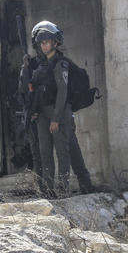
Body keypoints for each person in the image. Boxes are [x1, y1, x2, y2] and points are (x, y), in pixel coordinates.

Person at [19, 21, 94, 196]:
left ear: (55, 42)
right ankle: (48, 190)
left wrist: (55, 118)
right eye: (42, 43)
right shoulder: (39, 66)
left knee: (63, 153)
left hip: (58, 113)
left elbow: (62, 92)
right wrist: (25, 70)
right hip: (42, 115)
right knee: (46, 154)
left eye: (47, 42)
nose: (44, 45)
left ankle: (63, 190)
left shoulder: (60, 64)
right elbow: (26, 89)